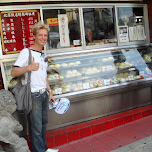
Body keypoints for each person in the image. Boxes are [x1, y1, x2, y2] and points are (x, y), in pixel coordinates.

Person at [11, 22, 59, 152]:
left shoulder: (43, 55)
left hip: (43, 94)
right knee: (36, 126)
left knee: (43, 124)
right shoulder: (26, 52)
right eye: (40, 35)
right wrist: (28, 68)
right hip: (34, 95)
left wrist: (49, 91)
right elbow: (13, 72)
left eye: (45, 35)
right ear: (34, 36)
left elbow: (43, 76)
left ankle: (44, 148)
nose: (43, 38)